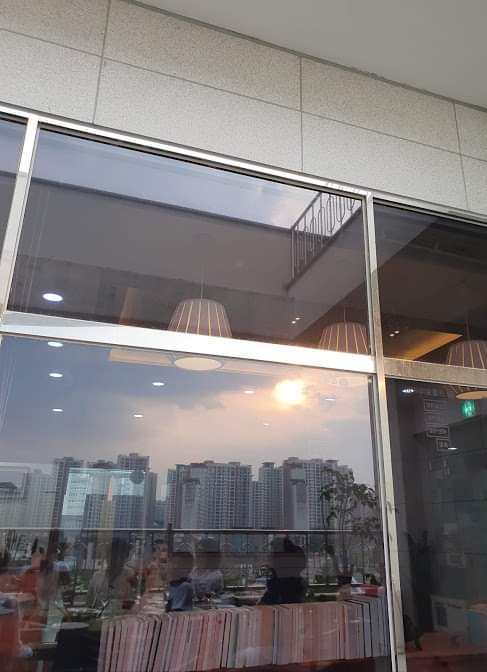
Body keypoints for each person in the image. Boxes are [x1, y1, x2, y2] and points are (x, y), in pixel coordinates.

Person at [87, 537, 137, 613]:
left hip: (122, 618)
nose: (117, 560)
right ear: (107, 556)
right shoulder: (97, 576)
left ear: (126, 558)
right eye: (113, 556)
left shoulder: (130, 576)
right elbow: (89, 603)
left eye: (121, 556)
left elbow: (134, 605)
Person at [260, 537, 307, 605]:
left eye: (272, 553)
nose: (269, 556)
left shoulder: (277, 586)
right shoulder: (297, 582)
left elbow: (262, 606)